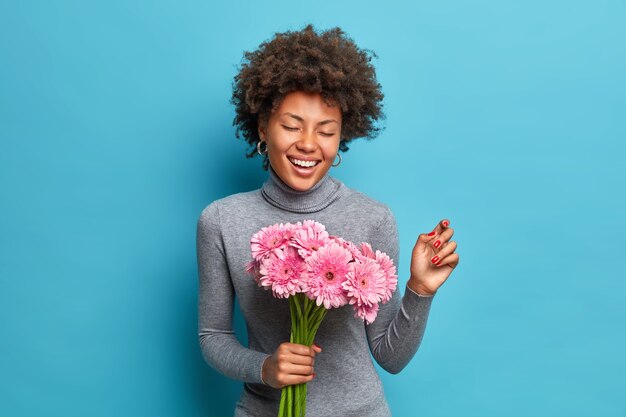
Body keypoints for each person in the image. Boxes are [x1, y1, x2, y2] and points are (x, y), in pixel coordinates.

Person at [197, 23, 459, 417]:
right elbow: (213, 336)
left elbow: (391, 357)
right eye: (290, 126)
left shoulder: (373, 218)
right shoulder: (221, 220)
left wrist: (420, 290)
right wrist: (264, 368)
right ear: (262, 129)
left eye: (326, 131)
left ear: (341, 140)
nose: (307, 143)